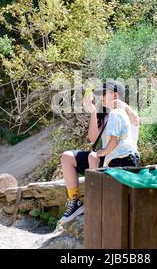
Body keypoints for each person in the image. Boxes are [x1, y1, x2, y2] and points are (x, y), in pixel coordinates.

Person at [59, 80, 140, 223]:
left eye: (104, 93)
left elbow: (136, 120)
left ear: (115, 95)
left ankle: (96, 200)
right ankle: (75, 201)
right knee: (67, 157)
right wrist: (93, 111)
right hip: (105, 158)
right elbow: (93, 138)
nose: (101, 97)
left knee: (93, 156)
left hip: (121, 159)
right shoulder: (106, 115)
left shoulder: (124, 113)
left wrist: (124, 106)